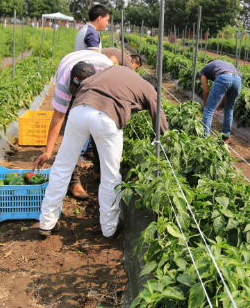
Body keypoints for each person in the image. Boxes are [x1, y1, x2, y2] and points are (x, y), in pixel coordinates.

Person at [38, 65, 168, 238]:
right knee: (111, 176)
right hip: (107, 118)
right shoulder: (149, 90)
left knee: (62, 166)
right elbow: (161, 123)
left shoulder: (118, 71)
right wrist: (167, 143)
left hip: (79, 109)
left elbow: (85, 85)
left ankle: (46, 222)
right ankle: (109, 229)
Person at [32, 51, 116, 199]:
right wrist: (48, 151)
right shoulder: (65, 81)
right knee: (73, 131)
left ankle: (100, 170)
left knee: (100, 126)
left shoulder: (108, 76)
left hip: (99, 86)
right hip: (70, 64)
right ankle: (73, 181)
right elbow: (58, 117)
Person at [200, 60, 242, 141]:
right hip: (238, 79)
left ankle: (204, 139)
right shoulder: (223, 64)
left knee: (208, 110)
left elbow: (206, 90)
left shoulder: (204, 69)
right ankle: (226, 136)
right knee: (229, 109)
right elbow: (224, 94)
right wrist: (216, 108)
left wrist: (206, 107)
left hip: (224, 77)